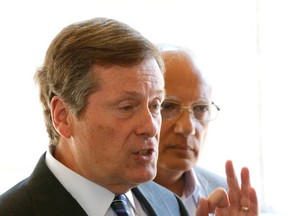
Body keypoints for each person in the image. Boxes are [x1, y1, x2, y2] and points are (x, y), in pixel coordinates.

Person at [0, 17, 257, 216]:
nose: (150, 127)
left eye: (156, 105)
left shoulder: (169, 204)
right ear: (63, 116)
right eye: (126, 107)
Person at [154, 44, 258, 215]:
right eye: (169, 107)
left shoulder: (227, 200)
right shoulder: (116, 200)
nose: (187, 128)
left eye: (200, 108)